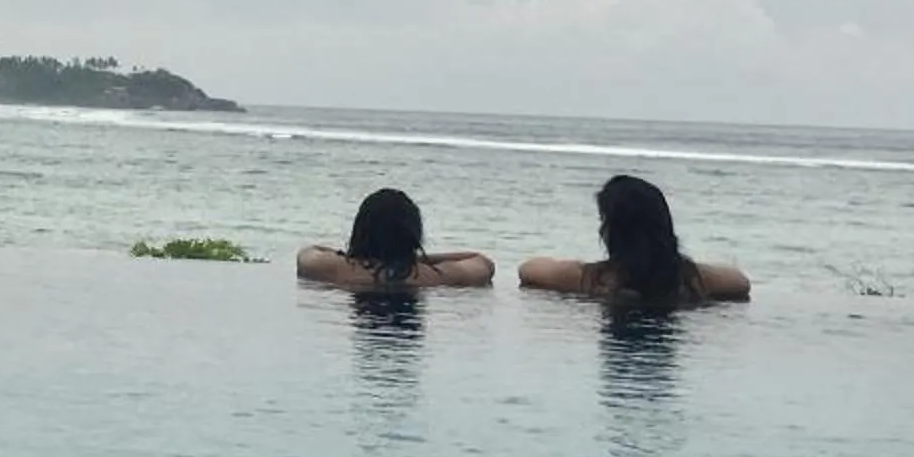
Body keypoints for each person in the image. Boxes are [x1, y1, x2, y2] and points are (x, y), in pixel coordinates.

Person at [518, 174, 752, 306]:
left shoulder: (591, 279)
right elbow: (740, 282)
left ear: (610, 230)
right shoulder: (690, 280)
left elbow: (528, 269)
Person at [295, 187, 496, 291]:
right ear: (413, 233)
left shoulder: (333, 268)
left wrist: (356, 255)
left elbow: (308, 252)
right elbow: (482, 262)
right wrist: (416, 258)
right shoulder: (435, 276)